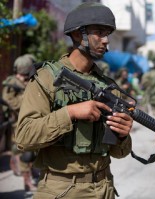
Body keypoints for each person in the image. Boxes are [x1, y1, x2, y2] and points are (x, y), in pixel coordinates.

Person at [15, 3, 133, 199]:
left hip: (104, 188)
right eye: (99, 33)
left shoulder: (108, 86)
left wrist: (122, 135)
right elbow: (24, 137)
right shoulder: (46, 78)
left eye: (108, 34)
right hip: (62, 189)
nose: (105, 41)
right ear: (78, 34)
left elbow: (119, 153)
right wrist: (70, 113)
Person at [2, 54, 38, 192]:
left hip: (32, 122)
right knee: (25, 153)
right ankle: (26, 181)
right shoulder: (12, 84)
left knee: (34, 151)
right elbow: (10, 102)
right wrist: (26, 97)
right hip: (18, 124)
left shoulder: (28, 81)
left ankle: (32, 172)